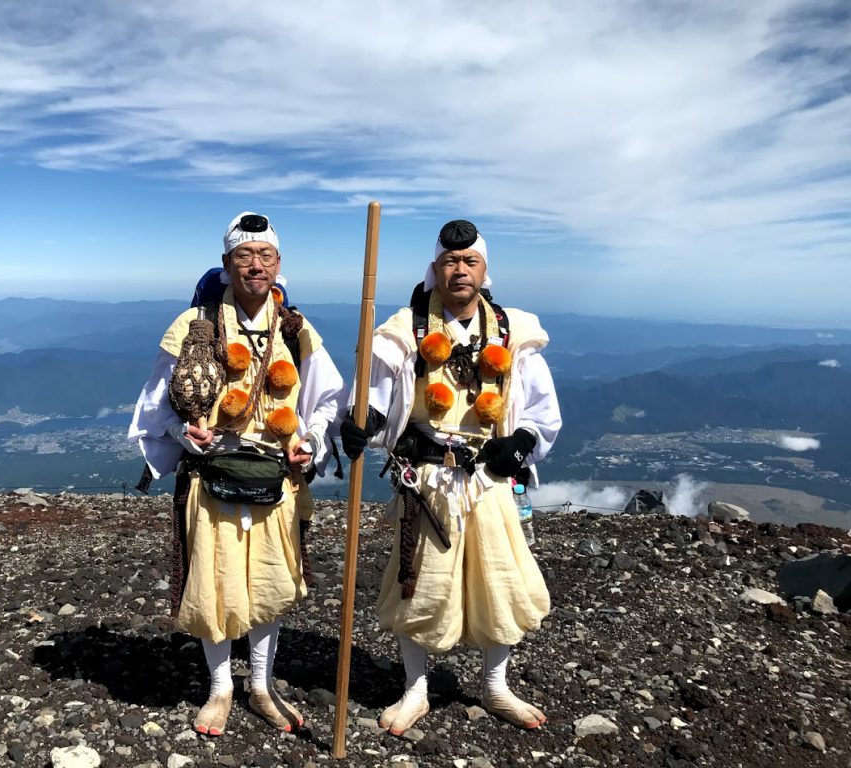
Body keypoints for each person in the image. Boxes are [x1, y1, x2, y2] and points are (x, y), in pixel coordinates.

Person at [128, 211, 346, 736]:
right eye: (244, 255)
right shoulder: (193, 326)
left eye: (265, 255)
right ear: (226, 264)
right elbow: (157, 404)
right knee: (215, 584)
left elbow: (327, 398)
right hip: (211, 473)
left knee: (269, 584)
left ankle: (262, 685)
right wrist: (186, 436)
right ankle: (221, 688)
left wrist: (310, 441)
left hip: (276, 475)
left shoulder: (295, 328)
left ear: (279, 264)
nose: (256, 265)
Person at [340, 219, 561, 734]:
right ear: (435, 269)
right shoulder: (406, 329)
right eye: (450, 262)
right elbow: (375, 391)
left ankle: (495, 684)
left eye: (470, 262)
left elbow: (539, 410)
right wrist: (365, 423)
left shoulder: (512, 332)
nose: (459, 271)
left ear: (484, 271)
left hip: (488, 478)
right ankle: (414, 688)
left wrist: (524, 441)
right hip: (427, 477)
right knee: (419, 583)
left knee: (499, 581)